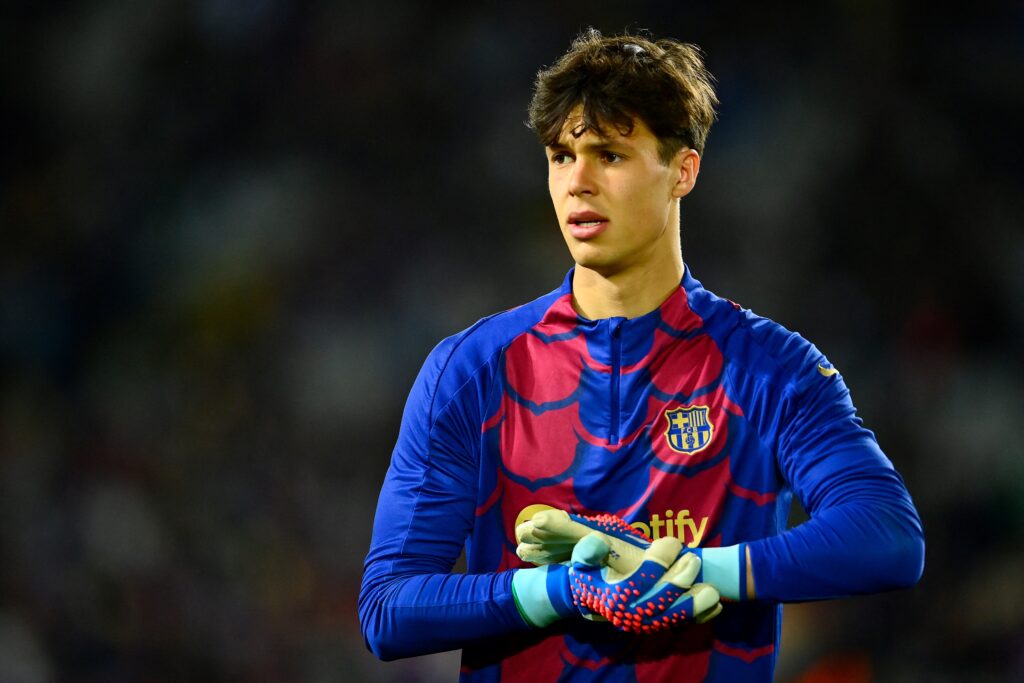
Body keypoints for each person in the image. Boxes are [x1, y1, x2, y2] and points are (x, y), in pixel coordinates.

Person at [358, 29, 924, 681]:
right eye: (560, 155)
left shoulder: (770, 369)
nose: (578, 183)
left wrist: (692, 570)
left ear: (682, 169)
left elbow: (888, 535)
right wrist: (562, 590)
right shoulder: (471, 370)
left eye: (610, 155)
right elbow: (386, 609)